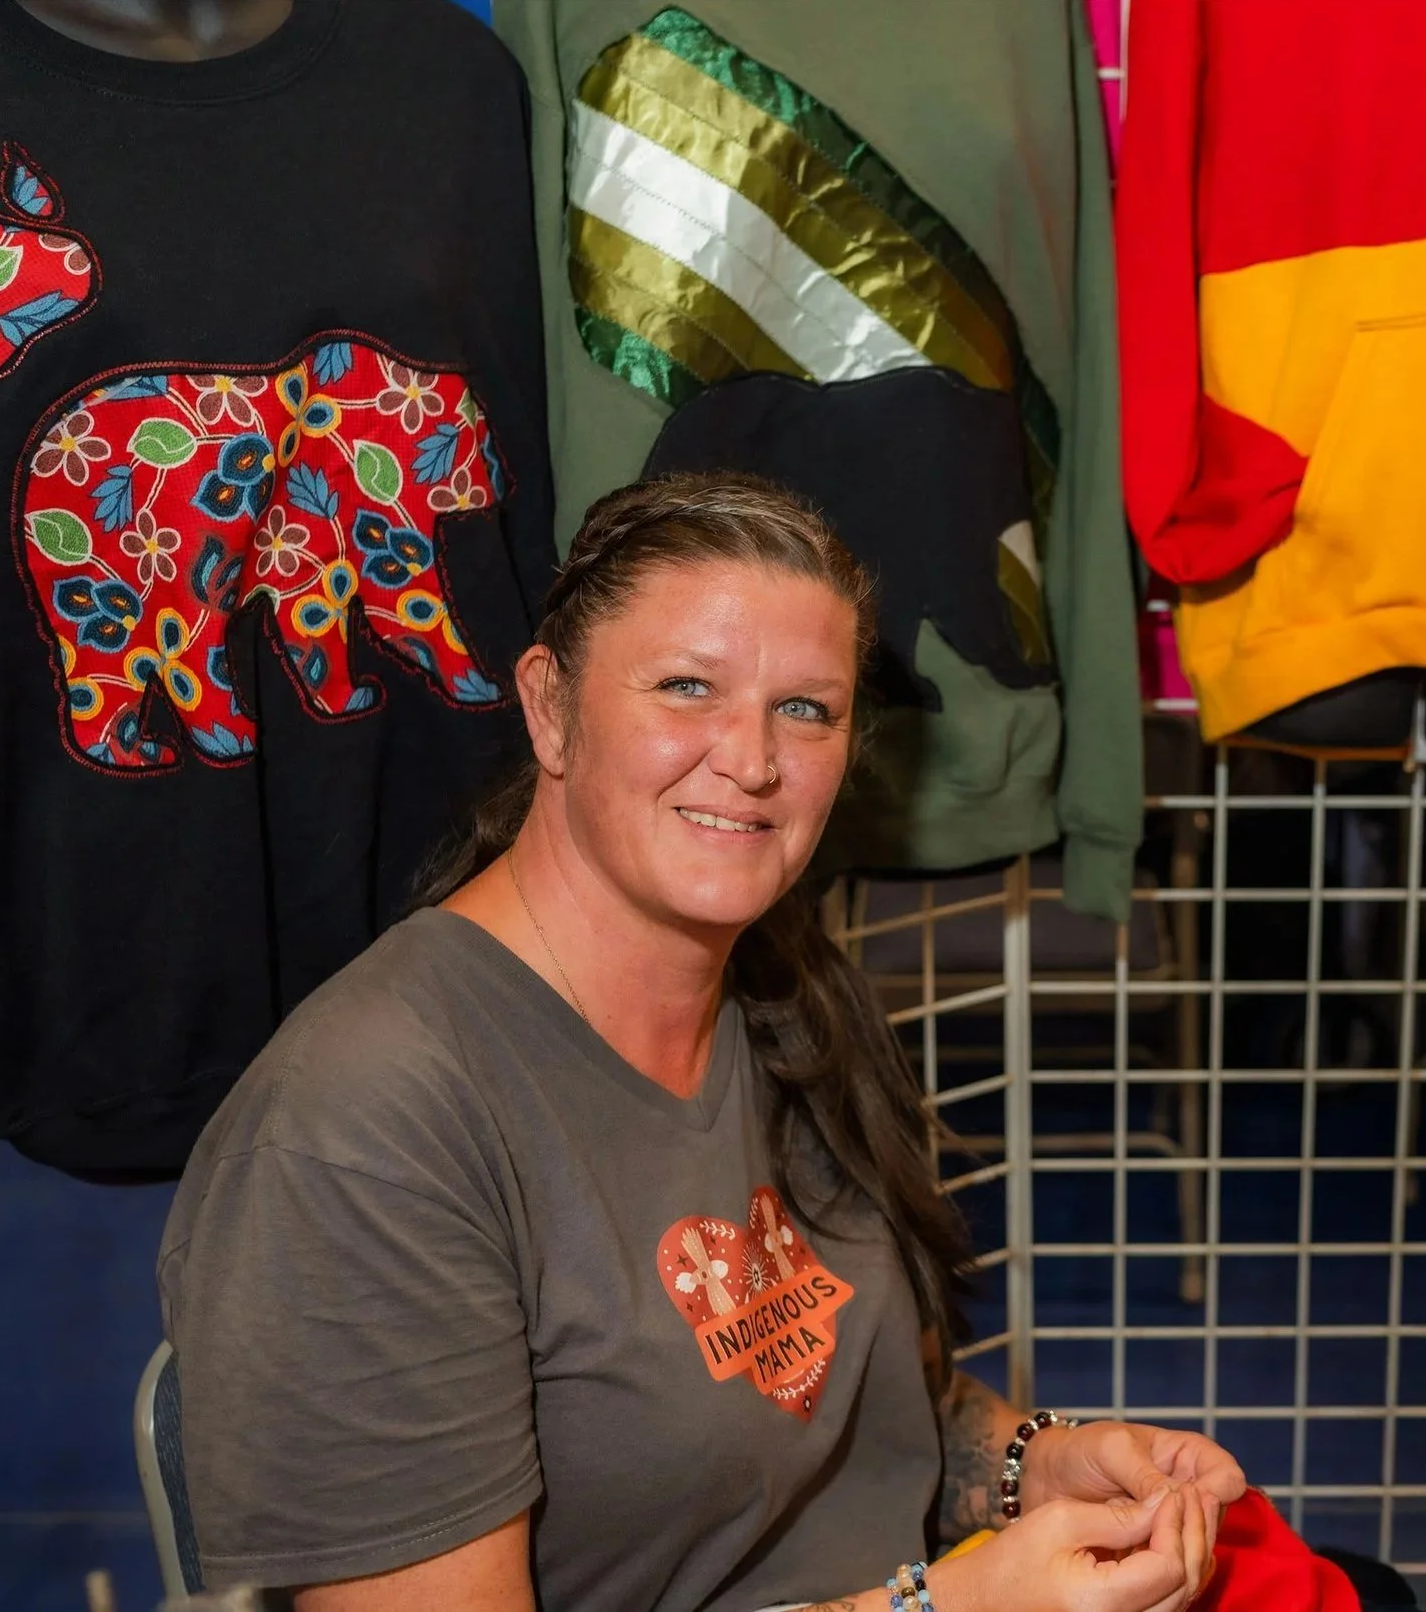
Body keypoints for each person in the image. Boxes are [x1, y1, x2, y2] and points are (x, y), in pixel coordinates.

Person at [159, 473, 1246, 1612]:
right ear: (548, 707)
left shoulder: (787, 994)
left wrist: (1032, 1465)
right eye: (688, 687)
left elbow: (847, 1398)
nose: (754, 760)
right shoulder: (363, 1126)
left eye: (807, 710)